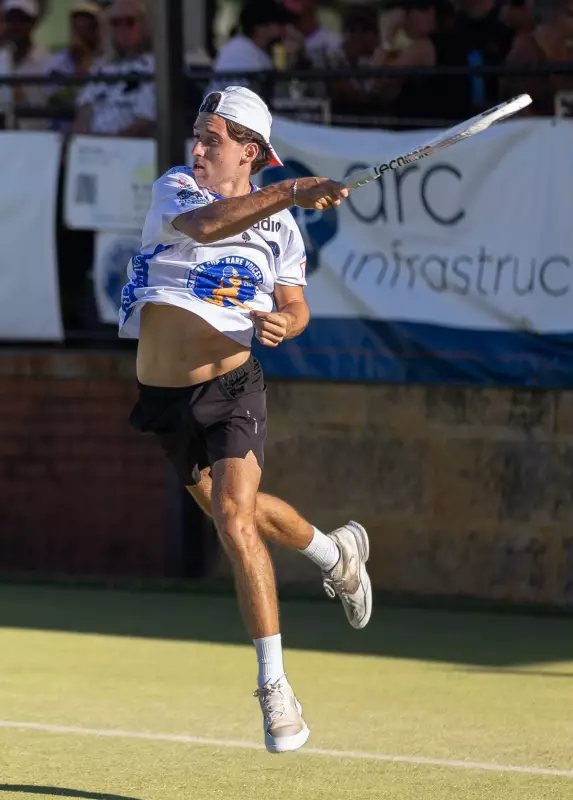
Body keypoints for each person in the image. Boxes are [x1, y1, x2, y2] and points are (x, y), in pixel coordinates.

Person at [119, 85, 372, 754]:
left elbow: (296, 304)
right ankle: (334, 553)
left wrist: (288, 321)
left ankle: (275, 687)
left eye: (213, 139)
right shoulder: (178, 188)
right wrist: (291, 191)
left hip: (233, 386)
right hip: (165, 398)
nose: (198, 148)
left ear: (250, 152)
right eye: (198, 135)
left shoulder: (283, 229)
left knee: (234, 521)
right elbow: (207, 228)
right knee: (241, 513)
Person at [373, 0, 471, 125]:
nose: (404, 24)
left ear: (428, 12)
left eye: (407, 15)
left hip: (428, 129)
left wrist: (386, 38)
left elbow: (377, 83)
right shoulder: (451, 40)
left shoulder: (424, 46)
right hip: (444, 126)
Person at [73, 0, 155, 138]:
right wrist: (80, 142)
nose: (122, 29)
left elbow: (144, 123)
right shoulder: (101, 67)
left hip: (129, 145)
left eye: (130, 22)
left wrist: (111, 143)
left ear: (144, 25)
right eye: (116, 23)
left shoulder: (155, 67)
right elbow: (84, 112)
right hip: (92, 145)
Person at [502, 0, 573, 115]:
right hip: (536, 124)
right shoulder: (524, 52)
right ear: (558, 14)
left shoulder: (568, 50)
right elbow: (519, 109)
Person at [44, 1, 102, 132]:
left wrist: (84, 61)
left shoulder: (106, 60)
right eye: (78, 28)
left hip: (96, 124)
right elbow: (56, 98)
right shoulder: (59, 61)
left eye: (87, 28)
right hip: (62, 123)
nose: (82, 35)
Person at [211, 0, 290, 92]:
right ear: (260, 27)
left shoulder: (255, 49)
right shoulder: (240, 50)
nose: (283, 29)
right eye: (280, 24)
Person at [0, 0, 49, 130]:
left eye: (22, 19)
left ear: (33, 23)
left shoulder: (46, 61)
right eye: (11, 19)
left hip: (36, 134)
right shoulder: (2, 57)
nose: (15, 25)